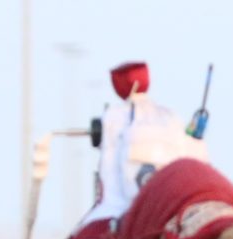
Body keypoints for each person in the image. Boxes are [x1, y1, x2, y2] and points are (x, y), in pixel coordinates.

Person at [81, 61, 209, 230]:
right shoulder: (170, 115)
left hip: (119, 211)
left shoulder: (113, 116)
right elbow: (196, 159)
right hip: (173, 208)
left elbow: (110, 171)